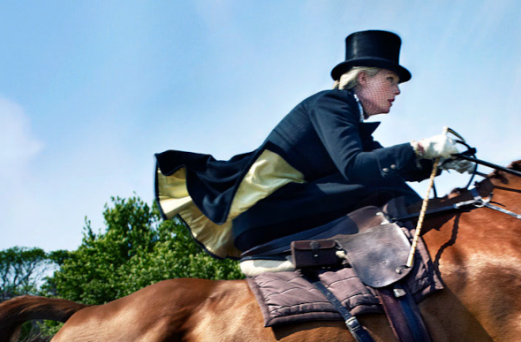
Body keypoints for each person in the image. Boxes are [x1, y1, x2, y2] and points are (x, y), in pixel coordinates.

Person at [154, 30, 468, 259]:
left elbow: (382, 167)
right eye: (391, 80)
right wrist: (423, 148)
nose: (398, 91)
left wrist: (439, 162)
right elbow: (356, 168)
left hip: (284, 210)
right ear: (362, 79)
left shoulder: (352, 120)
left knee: (388, 183)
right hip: (270, 213)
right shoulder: (332, 103)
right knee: (384, 189)